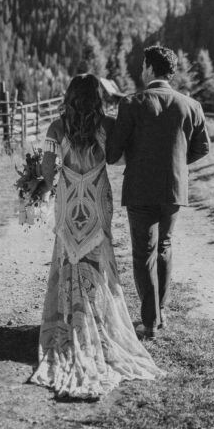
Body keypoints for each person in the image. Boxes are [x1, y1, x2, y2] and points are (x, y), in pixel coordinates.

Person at [29, 74, 162, 401]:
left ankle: (69, 320)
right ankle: (99, 319)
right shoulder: (109, 125)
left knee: (68, 257)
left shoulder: (55, 129)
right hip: (98, 199)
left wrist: (45, 182)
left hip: (69, 198)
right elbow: (118, 158)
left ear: (69, 96)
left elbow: (48, 173)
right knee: (98, 260)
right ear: (98, 97)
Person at [106, 45, 210, 340]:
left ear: (150, 69)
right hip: (174, 188)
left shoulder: (131, 103)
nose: (141, 71)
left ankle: (150, 321)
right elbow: (203, 148)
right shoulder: (191, 105)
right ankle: (160, 313)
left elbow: (113, 154)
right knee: (164, 247)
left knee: (143, 252)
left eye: (142, 66)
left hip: (140, 188)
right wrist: (175, 163)